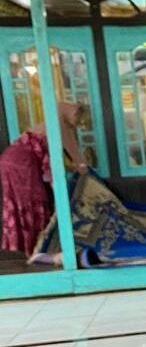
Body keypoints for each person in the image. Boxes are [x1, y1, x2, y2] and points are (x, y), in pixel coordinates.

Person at [0, 101, 89, 256]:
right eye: (79, 121)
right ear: (75, 114)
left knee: (28, 201)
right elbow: (75, 155)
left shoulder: (55, 122)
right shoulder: (59, 126)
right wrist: (85, 171)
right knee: (33, 199)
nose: (77, 126)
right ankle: (35, 247)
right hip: (20, 164)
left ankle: (32, 247)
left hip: (12, 161)